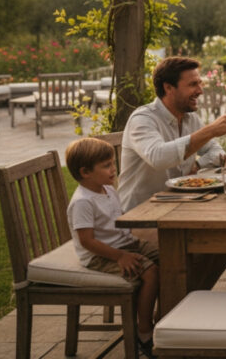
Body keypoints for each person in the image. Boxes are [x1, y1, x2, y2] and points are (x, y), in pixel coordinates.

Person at [67, 137, 160, 358]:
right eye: (106, 165)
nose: (113, 169)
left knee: (170, 257)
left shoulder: (107, 189)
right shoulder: (82, 201)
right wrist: (120, 257)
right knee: (150, 272)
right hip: (102, 255)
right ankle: (144, 331)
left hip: (125, 243)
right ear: (85, 172)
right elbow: (87, 241)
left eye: (112, 163)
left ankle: (162, 319)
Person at [119, 57, 226, 211]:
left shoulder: (190, 118)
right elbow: (158, 158)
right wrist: (210, 130)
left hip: (181, 204)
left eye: (199, 83)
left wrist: (198, 164)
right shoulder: (143, 119)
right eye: (192, 85)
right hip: (141, 214)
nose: (200, 91)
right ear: (168, 88)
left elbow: (217, 152)